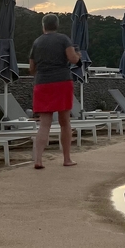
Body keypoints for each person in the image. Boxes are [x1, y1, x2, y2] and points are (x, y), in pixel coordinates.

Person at [29, 13, 81, 169]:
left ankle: (38, 159)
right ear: (57, 25)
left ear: (43, 26)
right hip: (62, 81)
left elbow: (32, 69)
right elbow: (72, 59)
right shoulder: (64, 39)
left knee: (44, 124)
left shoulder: (37, 42)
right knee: (65, 122)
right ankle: (66, 159)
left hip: (42, 83)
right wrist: (78, 56)